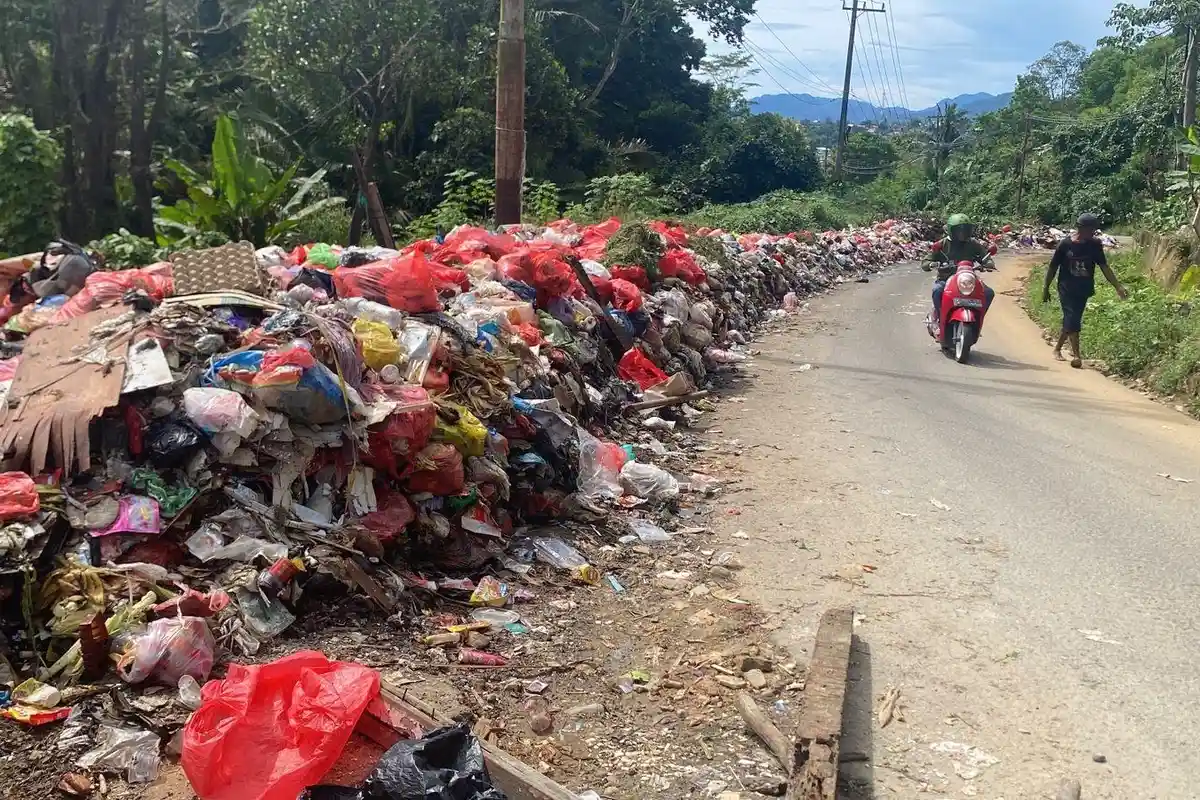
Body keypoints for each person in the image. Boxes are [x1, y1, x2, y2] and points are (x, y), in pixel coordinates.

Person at [1042, 212, 1128, 368]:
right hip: (1066, 288)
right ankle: (1077, 356)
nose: (1093, 232)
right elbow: (1053, 267)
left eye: (1095, 229)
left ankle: (1057, 348)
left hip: (1084, 288)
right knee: (1072, 318)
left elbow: (1104, 267)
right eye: (1091, 229)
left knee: (1072, 319)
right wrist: (1046, 287)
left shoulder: (1094, 245)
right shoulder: (1065, 245)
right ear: (1080, 228)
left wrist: (1118, 286)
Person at [928, 213, 996, 323]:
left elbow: (985, 256)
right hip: (946, 279)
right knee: (937, 290)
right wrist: (931, 264)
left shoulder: (973, 243)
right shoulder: (943, 244)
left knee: (988, 293)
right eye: (958, 230)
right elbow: (927, 260)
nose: (962, 233)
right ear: (951, 230)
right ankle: (939, 318)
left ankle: (978, 319)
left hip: (968, 279)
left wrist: (988, 263)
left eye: (965, 230)